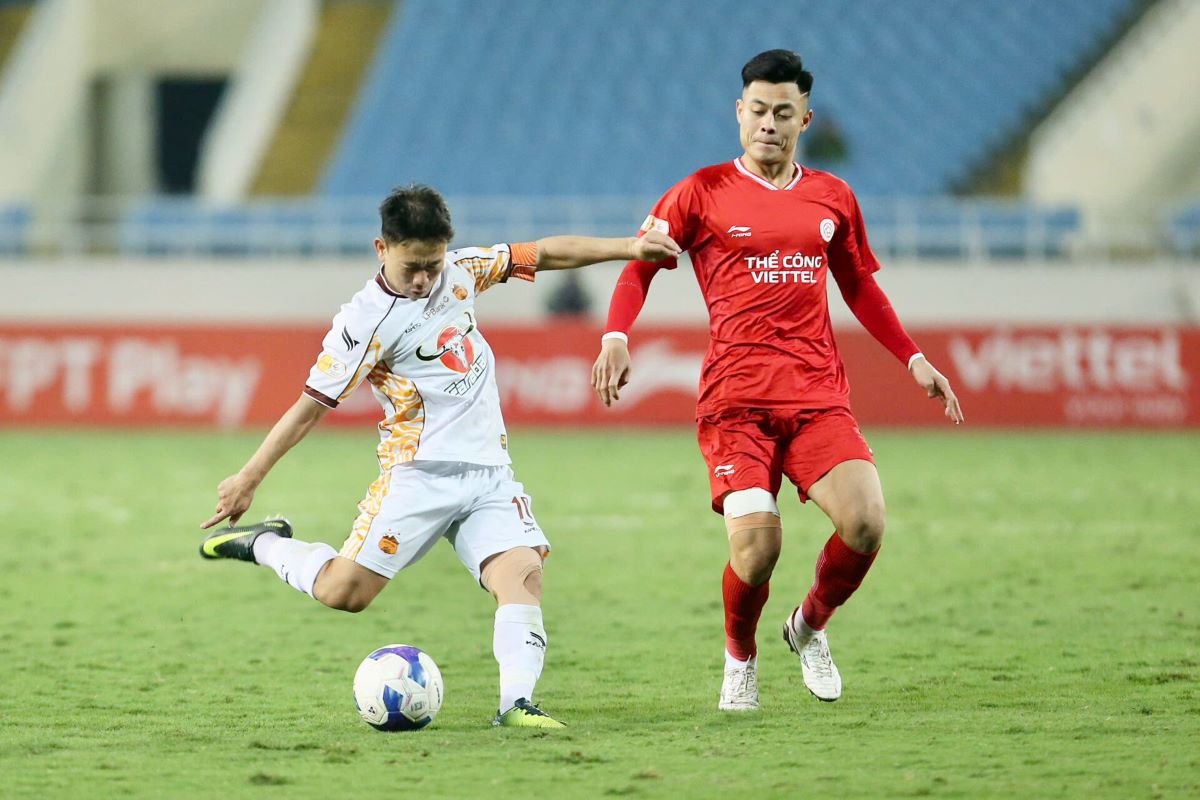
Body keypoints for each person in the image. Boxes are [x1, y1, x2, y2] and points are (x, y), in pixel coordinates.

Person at [200, 184, 680, 728]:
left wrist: (630, 247)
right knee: (345, 593)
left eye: (432, 263)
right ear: (382, 250)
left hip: (490, 475)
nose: (425, 279)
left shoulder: (461, 270)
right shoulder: (363, 325)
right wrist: (248, 476)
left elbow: (543, 253)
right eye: (412, 268)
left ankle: (515, 705)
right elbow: (309, 408)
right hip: (418, 477)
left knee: (520, 575)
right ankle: (265, 543)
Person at [591, 50, 963, 711]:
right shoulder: (699, 192)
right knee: (758, 551)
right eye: (757, 110)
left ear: (804, 119)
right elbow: (638, 266)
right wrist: (616, 334)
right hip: (736, 405)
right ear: (739, 113)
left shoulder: (832, 197)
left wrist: (913, 358)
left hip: (818, 397)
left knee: (867, 521)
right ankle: (741, 656)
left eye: (782, 113)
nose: (768, 122)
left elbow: (859, 285)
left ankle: (809, 625)